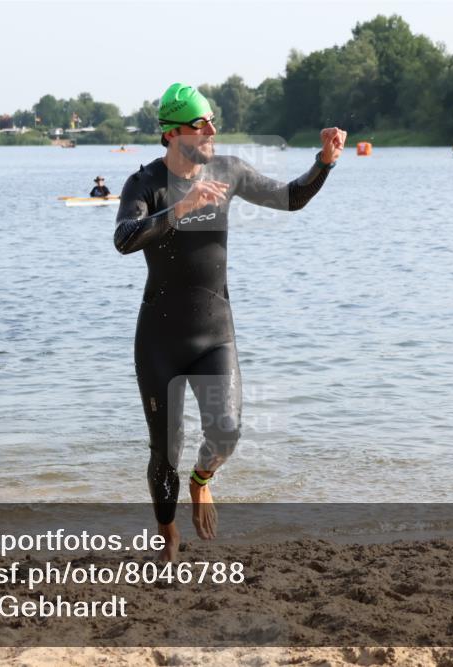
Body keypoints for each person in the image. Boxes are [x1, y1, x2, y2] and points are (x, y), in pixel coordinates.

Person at [114, 82, 346, 560]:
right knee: (164, 451)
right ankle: (168, 536)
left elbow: (291, 198)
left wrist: (325, 161)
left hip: (215, 332)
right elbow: (124, 238)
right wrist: (181, 207)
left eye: (212, 121)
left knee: (227, 430)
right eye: (202, 124)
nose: (213, 131)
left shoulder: (229, 171)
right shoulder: (144, 184)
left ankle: (203, 480)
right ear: (174, 132)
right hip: (159, 338)